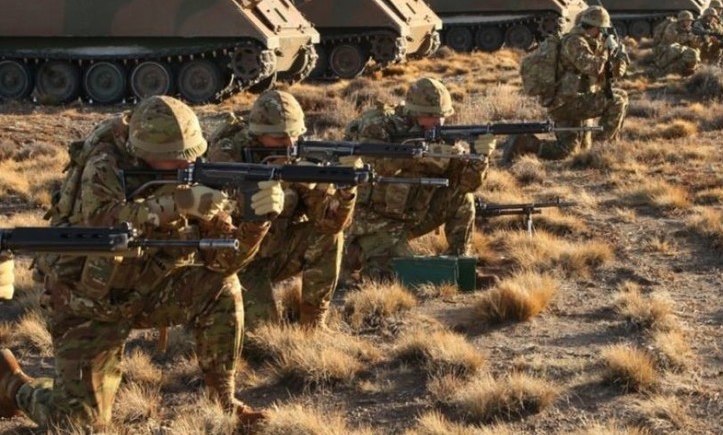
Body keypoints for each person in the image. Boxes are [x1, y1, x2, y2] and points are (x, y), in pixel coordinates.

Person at [0, 96, 282, 429]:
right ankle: (13, 385)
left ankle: (223, 400)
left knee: (223, 287)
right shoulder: (105, 164)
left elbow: (223, 262)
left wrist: (256, 223)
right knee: (79, 424)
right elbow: (101, 221)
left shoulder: (192, 170)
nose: (184, 168)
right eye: (172, 160)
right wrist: (176, 204)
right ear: (142, 153)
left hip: (149, 290)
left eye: (188, 157)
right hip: (86, 302)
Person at [207, 90, 357, 328]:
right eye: (279, 139)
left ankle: (313, 324)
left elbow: (329, 224)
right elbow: (216, 217)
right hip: (237, 262)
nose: (289, 146)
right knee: (264, 336)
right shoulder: (227, 155)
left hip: (276, 251)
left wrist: (345, 193)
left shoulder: (296, 156)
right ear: (257, 135)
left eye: (294, 137)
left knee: (329, 237)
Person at [342, 78, 496, 282]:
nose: (438, 122)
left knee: (463, 199)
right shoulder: (377, 125)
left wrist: (480, 158)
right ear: (413, 111)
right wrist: (421, 156)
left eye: (442, 116)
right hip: (374, 221)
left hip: (413, 215)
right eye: (431, 116)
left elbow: (468, 184)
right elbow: (377, 167)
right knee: (399, 275)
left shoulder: (439, 136)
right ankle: (354, 256)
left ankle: (461, 267)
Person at [503, 6, 630, 162]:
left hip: (576, 100)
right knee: (617, 100)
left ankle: (527, 143)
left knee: (569, 151)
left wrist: (619, 55)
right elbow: (593, 67)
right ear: (596, 28)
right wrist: (607, 51)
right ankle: (602, 152)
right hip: (566, 103)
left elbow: (612, 74)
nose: (604, 34)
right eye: (603, 30)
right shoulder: (574, 42)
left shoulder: (592, 43)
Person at [653, 10, 702, 76]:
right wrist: (688, 37)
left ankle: (688, 69)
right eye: (687, 20)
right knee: (677, 49)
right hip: (666, 52)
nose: (689, 23)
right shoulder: (672, 27)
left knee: (695, 52)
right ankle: (660, 69)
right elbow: (672, 40)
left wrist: (699, 40)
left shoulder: (689, 29)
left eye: (690, 21)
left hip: (679, 52)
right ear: (681, 21)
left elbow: (695, 44)